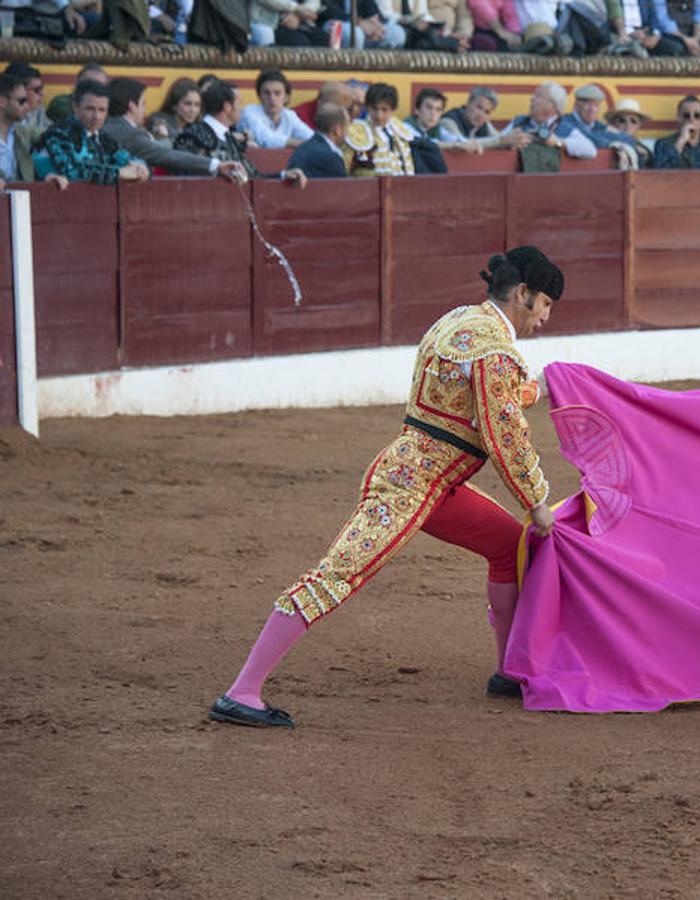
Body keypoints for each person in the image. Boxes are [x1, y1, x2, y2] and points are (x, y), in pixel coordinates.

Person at [209, 246, 565, 727]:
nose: (544, 317)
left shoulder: (459, 321)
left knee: (508, 545)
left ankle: (506, 671)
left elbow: (479, 399)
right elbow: (503, 434)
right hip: (410, 486)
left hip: (429, 479)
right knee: (338, 574)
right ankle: (242, 692)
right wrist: (536, 500)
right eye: (544, 305)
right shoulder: (494, 349)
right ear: (523, 293)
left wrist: (535, 388)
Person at [104, 77, 251, 179]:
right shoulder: (131, 135)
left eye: (196, 105)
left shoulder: (109, 127)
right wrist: (215, 165)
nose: (145, 108)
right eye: (143, 103)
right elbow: (166, 155)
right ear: (131, 106)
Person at [175, 79, 308, 184]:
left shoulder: (228, 138)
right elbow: (189, 181)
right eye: (239, 102)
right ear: (227, 107)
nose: (241, 107)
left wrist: (283, 175)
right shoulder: (193, 136)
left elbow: (253, 177)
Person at [39, 79, 149, 185]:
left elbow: (127, 159)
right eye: (90, 109)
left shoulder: (104, 139)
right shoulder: (59, 134)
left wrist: (140, 168)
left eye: (102, 110)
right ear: (76, 107)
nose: (97, 117)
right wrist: (119, 173)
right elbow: (71, 170)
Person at [0, 72, 68, 188]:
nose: (27, 106)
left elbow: (57, 138)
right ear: (2, 101)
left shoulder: (24, 133)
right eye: (21, 101)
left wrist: (46, 174)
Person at [500, 82, 598, 160]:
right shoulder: (519, 122)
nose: (532, 99)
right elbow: (497, 140)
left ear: (553, 104)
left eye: (538, 96)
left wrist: (557, 142)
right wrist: (507, 141)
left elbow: (590, 150)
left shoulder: (563, 126)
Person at [344, 82, 416, 176]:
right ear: (367, 107)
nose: (379, 116)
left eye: (384, 110)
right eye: (374, 109)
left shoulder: (400, 130)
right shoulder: (356, 132)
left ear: (393, 110)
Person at [240, 69, 314, 149]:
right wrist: (307, 144)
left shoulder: (289, 115)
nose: (272, 98)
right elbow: (267, 141)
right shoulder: (250, 112)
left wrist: (311, 143)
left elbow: (313, 138)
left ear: (286, 97)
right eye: (267, 93)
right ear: (259, 96)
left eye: (277, 93)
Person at [653, 94, 700, 168]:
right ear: (679, 117)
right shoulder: (663, 144)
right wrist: (680, 142)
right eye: (686, 115)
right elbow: (660, 173)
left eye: (697, 115)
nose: (692, 119)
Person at [287, 102, 350, 178]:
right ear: (337, 130)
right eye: (347, 126)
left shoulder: (303, 147)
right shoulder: (331, 158)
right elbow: (345, 187)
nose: (348, 131)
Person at [442, 86, 510, 153]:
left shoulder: (484, 123)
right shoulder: (448, 120)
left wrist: (512, 141)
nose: (481, 115)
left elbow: (500, 141)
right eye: (479, 107)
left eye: (487, 112)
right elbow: (462, 144)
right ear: (469, 102)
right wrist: (500, 141)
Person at [249, 0, 327, 47]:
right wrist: (295, 8)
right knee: (301, 44)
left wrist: (299, 14)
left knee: (324, 41)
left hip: (299, 19)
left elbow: (314, 1)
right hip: (270, 24)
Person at [149, 77, 201, 143]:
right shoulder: (159, 120)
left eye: (197, 105)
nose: (193, 110)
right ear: (174, 105)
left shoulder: (198, 129)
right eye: (187, 104)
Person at [606, 97, 654, 166]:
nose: (628, 125)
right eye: (622, 120)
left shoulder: (647, 148)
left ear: (639, 125)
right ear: (613, 123)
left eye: (633, 121)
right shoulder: (605, 144)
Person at [5, 63, 49, 133]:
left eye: (41, 89)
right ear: (20, 90)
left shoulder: (38, 110)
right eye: (37, 90)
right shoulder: (8, 115)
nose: (42, 94)